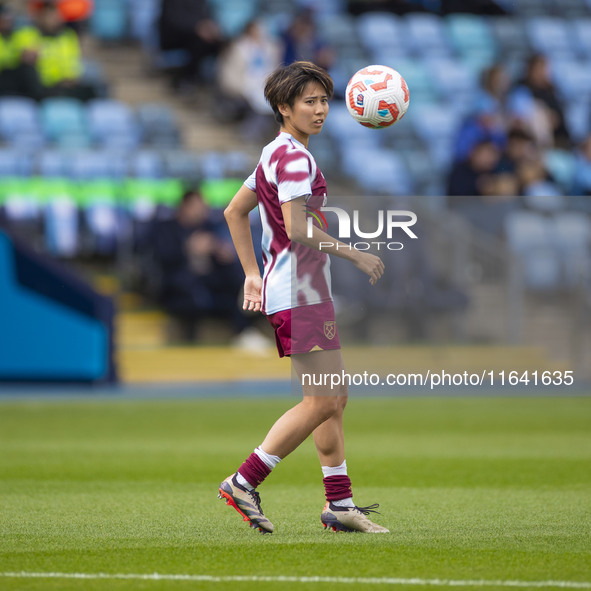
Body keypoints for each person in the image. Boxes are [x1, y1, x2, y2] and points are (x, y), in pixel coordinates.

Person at [219, 61, 388, 534]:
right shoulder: (294, 158)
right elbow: (296, 228)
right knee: (323, 399)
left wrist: (253, 275)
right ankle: (244, 480)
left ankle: (339, 504)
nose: (319, 110)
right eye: (308, 101)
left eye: (323, 101)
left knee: (333, 398)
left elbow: (235, 211)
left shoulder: (274, 152)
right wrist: (354, 253)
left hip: (294, 289)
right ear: (282, 107)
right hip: (299, 291)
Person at [152, 190, 259, 344]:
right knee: (193, 292)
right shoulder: (167, 229)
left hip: (207, 280)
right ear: (184, 207)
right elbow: (163, 258)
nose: (201, 211)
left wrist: (219, 250)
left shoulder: (207, 226)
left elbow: (220, 253)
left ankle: (244, 332)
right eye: (197, 207)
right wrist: (188, 248)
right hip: (178, 283)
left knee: (234, 282)